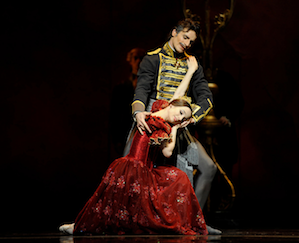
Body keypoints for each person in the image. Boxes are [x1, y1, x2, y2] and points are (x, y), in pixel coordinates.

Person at [59, 61, 208, 235]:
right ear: (173, 104)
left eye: (183, 119)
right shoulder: (160, 107)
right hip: (130, 164)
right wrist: (190, 71)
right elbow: (179, 94)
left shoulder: (164, 127)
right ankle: (80, 225)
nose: (179, 118)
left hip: (143, 169)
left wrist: (175, 129)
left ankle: (84, 227)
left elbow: (167, 152)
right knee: (108, 198)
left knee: (178, 178)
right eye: (181, 113)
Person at [124, 18, 220, 234]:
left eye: (191, 41)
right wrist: (139, 113)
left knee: (208, 168)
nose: (187, 43)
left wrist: (191, 116)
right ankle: (126, 222)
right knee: (128, 173)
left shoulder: (193, 64)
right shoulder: (152, 58)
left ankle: (197, 222)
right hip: (153, 121)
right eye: (185, 37)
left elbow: (206, 98)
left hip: (178, 121)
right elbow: (141, 90)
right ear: (174, 32)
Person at [109, 48, 146, 158]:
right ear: (130, 61)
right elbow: (114, 115)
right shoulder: (121, 88)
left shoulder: (149, 87)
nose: (138, 61)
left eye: (141, 58)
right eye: (135, 58)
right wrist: (117, 140)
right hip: (125, 134)